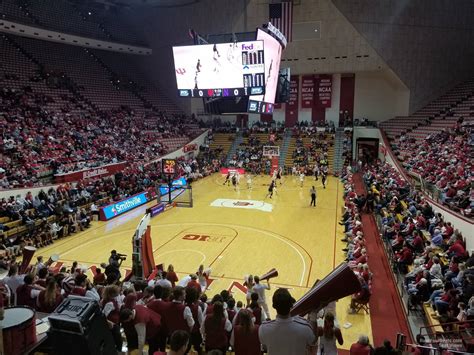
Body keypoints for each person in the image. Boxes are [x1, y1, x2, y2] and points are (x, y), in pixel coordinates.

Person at [259, 288, 315, 355]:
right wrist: (314, 315)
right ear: (291, 305)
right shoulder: (305, 328)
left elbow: (264, 346)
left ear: (274, 306)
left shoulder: (263, 329)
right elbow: (313, 340)